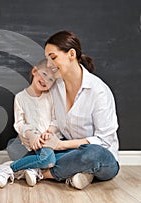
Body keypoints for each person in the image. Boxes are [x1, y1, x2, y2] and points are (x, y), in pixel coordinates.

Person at [30, 30, 120, 190]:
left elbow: (104, 141)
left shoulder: (98, 91)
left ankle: (43, 173)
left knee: (92, 154)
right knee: (28, 148)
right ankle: (79, 174)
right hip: (70, 152)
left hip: (101, 158)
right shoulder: (56, 86)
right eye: (47, 59)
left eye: (53, 57)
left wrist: (59, 146)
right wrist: (48, 135)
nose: (49, 65)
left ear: (71, 54)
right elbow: (58, 120)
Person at [0, 58, 60, 188]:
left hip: (46, 139)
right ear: (35, 71)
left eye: (51, 79)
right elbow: (19, 123)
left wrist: (49, 132)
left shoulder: (50, 97)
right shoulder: (20, 97)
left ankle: (9, 168)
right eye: (44, 74)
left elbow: (55, 119)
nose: (45, 80)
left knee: (49, 160)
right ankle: (32, 169)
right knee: (15, 149)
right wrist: (31, 135)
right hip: (28, 140)